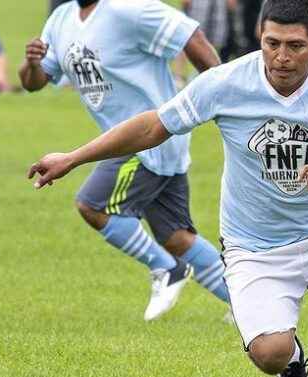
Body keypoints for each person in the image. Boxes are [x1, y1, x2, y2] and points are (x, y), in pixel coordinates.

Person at [26, 1, 308, 377]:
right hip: (254, 243)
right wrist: (73, 157)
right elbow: (154, 125)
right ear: (259, 37)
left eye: (295, 46)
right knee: (270, 353)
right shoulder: (227, 82)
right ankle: (293, 369)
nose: (281, 57)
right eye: (271, 43)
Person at [19, 0, 229, 321]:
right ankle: (249, 302)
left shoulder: (130, 9)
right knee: (176, 237)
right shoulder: (61, 19)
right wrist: (32, 64)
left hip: (149, 136)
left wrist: (221, 98)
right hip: (123, 140)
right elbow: (33, 83)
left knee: (93, 204)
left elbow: (192, 36)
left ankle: (167, 270)